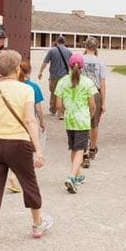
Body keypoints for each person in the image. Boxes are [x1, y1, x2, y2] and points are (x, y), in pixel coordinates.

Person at [0, 50, 52, 251]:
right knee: (29, 182)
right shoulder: (25, 90)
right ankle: (37, 224)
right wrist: (38, 150)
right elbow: (30, 120)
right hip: (18, 143)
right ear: (17, 68)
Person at [54, 53, 97, 193]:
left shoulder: (62, 82)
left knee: (73, 148)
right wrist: (90, 115)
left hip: (70, 119)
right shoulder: (87, 82)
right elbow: (92, 105)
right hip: (82, 119)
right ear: (82, 67)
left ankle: (78, 175)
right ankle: (72, 176)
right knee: (80, 149)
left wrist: (64, 112)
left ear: (70, 65)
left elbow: (58, 105)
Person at [6, 60, 47, 194]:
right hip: (28, 123)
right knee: (28, 151)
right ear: (29, 72)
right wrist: (42, 122)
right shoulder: (33, 87)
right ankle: (16, 177)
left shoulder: (13, 85)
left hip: (13, 122)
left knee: (16, 151)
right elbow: (38, 108)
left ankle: (14, 175)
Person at [80, 37, 108, 167]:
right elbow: (103, 84)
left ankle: (83, 151)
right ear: (96, 47)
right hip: (95, 92)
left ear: (85, 46)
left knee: (82, 122)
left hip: (81, 93)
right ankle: (92, 148)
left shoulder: (79, 60)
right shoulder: (100, 62)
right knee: (94, 124)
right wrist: (103, 102)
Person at [37, 35, 72, 116]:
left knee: (53, 92)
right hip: (65, 76)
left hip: (53, 76)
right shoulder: (69, 51)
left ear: (57, 42)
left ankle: (53, 109)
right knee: (63, 93)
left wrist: (40, 72)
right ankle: (61, 112)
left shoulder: (52, 51)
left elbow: (45, 62)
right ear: (64, 42)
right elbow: (72, 64)